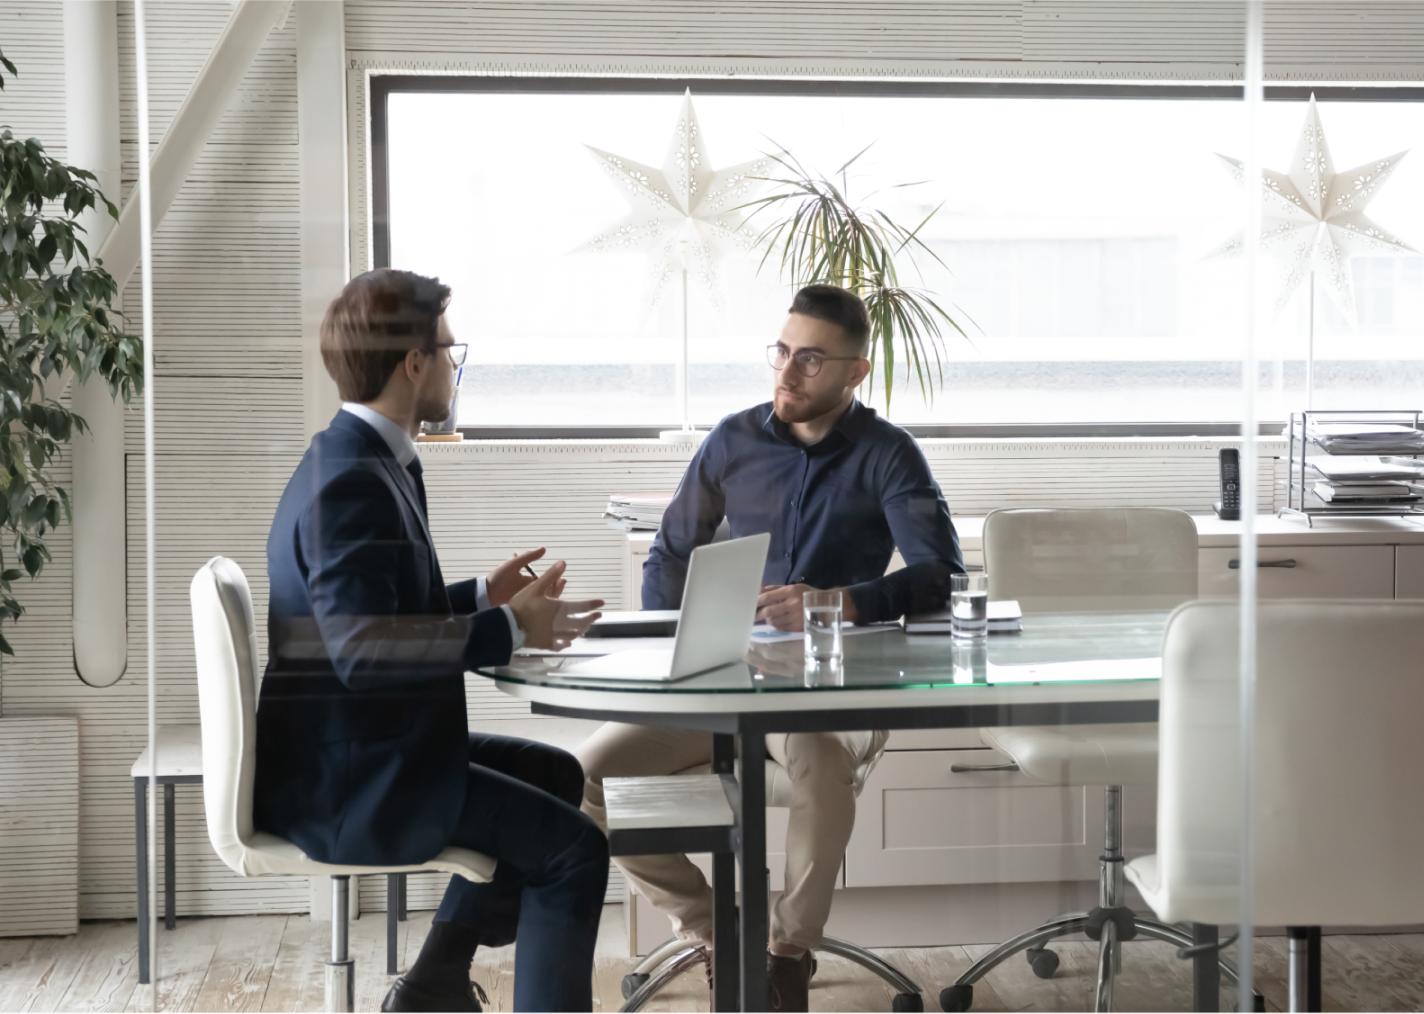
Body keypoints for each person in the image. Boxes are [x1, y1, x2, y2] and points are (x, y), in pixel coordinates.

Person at [574, 284, 963, 1013]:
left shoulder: (889, 455)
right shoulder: (732, 440)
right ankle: (716, 931)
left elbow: (939, 576)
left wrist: (843, 602)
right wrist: (671, 645)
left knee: (817, 763)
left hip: (824, 689)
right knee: (581, 780)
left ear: (855, 372)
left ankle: (787, 951)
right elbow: (670, 553)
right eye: (781, 351)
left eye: (811, 359)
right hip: (716, 682)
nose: (786, 373)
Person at [255, 269, 610, 1014]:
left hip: (363, 752)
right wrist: (511, 629)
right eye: (450, 351)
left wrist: (485, 596)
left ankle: (434, 982)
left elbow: (375, 617)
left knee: (555, 775)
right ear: (413, 363)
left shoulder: (364, 458)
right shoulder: (352, 480)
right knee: (574, 853)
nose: (454, 367)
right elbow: (361, 651)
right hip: (351, 782)